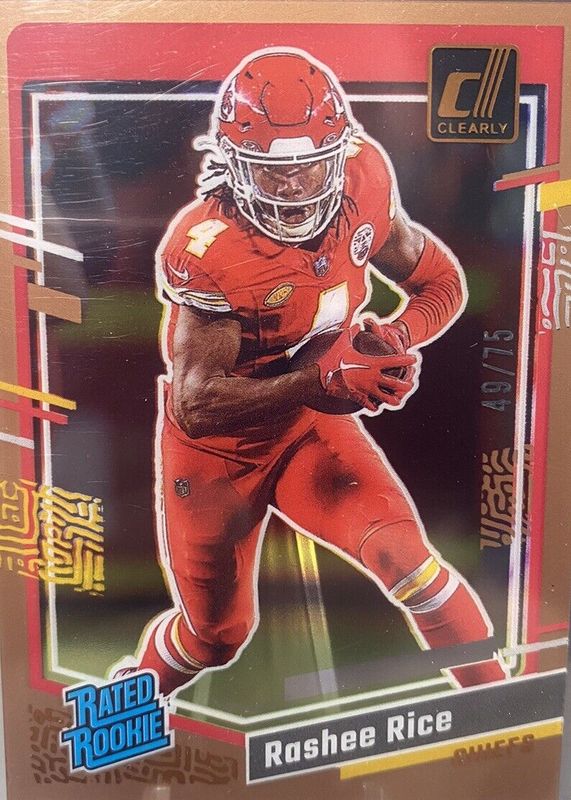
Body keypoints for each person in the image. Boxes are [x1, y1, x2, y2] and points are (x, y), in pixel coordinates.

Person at [115, 47, 508, 697]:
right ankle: (125, 704)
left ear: (339, 152)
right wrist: (318, 380)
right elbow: (196, 405)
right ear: (234, 164)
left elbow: (440, 282)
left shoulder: (364, 178)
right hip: (216, 456)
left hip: (307, 429)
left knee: (408, 561)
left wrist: (393, 337)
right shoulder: (207, 247)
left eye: (310, 164)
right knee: (216, 637)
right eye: (273, 171)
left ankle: (500, 707)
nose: (294, 186)